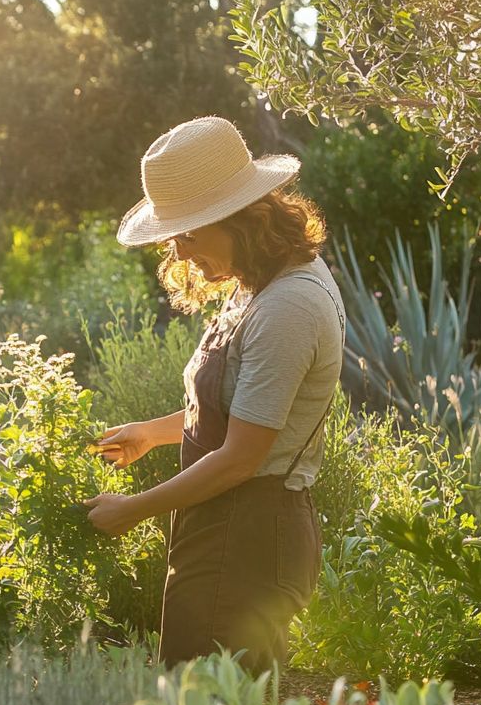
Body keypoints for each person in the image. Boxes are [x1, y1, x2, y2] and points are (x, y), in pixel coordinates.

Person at [83, 115, 345, 673]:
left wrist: (132, 510)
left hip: (247, 536)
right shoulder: (259, 282)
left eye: (189, 234)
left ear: (242, 219)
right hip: (225, 528)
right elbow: (239, 409)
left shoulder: (288, 306)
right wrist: (150, 435)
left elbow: (241, 458)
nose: (178, 253)